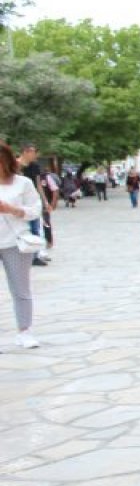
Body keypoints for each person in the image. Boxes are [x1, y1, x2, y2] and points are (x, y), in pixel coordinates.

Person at [0, 142, 44, 349]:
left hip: (15, 242)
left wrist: (12, 209)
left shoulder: (22, 183)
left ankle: (24, 331)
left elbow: (35, 210)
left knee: (21, 289)